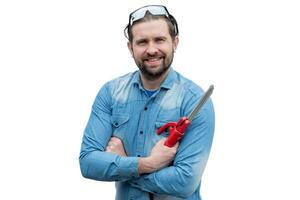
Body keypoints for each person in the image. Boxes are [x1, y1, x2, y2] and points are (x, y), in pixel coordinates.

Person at [79, 5, 215, 200]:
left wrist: (125, 163)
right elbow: (88, 163)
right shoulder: (110, 93)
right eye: (142, 42)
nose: (152, 50)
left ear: (175, 43)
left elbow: (185, 181)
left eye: (159, 40)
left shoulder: (194, 100)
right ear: (130, 47)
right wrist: (147, 164)